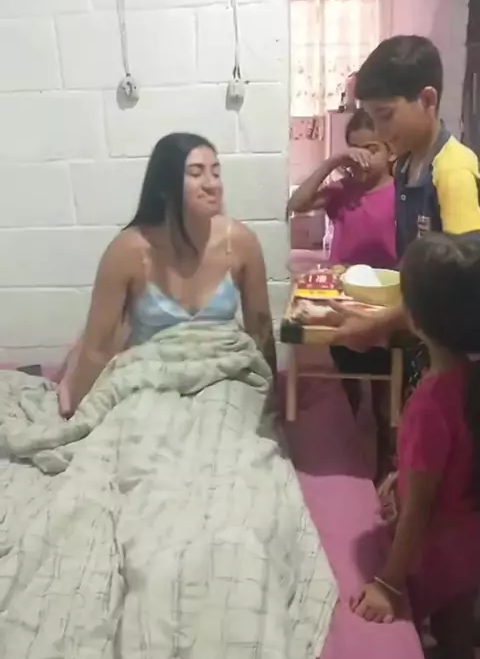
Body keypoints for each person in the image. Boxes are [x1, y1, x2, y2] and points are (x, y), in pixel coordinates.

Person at [351, 232, 480, 659]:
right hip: (470, 541)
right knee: (460, 639)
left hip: (436, 551)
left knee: (431, 634)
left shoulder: (430, 401)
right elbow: (451, 465)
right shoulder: (469, 378)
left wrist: (388, 583)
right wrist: (402, 475)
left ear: (417, 319)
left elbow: (421, 508)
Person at [62, 132, 276, 416]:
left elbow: (261, 329)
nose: (212, 184)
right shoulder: (128, 250)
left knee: (227, 433)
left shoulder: (239, 241)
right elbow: (97, 346)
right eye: (196, 173)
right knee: (141, 434)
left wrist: (272, 403)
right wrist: (79, 413)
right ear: (164, 188)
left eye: (216, 172)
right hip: (150, 376)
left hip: (224, 373)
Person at [333, 36, 480, 392]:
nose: (381, 131)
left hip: (455, 355)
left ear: (428, 100)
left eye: (386, 116)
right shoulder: (405, 165)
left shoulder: (452, 169)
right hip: (423, 338)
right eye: (373, 119)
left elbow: (460, 280)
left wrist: (381, 324)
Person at [288, 108, 396, 477]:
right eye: (355, 150)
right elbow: (297, 204)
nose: (363, 159)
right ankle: (347, 458)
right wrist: (334, 161)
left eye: (372, 149)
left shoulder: (401, 192)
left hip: (385, 300)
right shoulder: (341, 192)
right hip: (342, 297)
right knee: (348, 380)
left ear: (390, 150)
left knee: (386, 393)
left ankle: (386, 465)